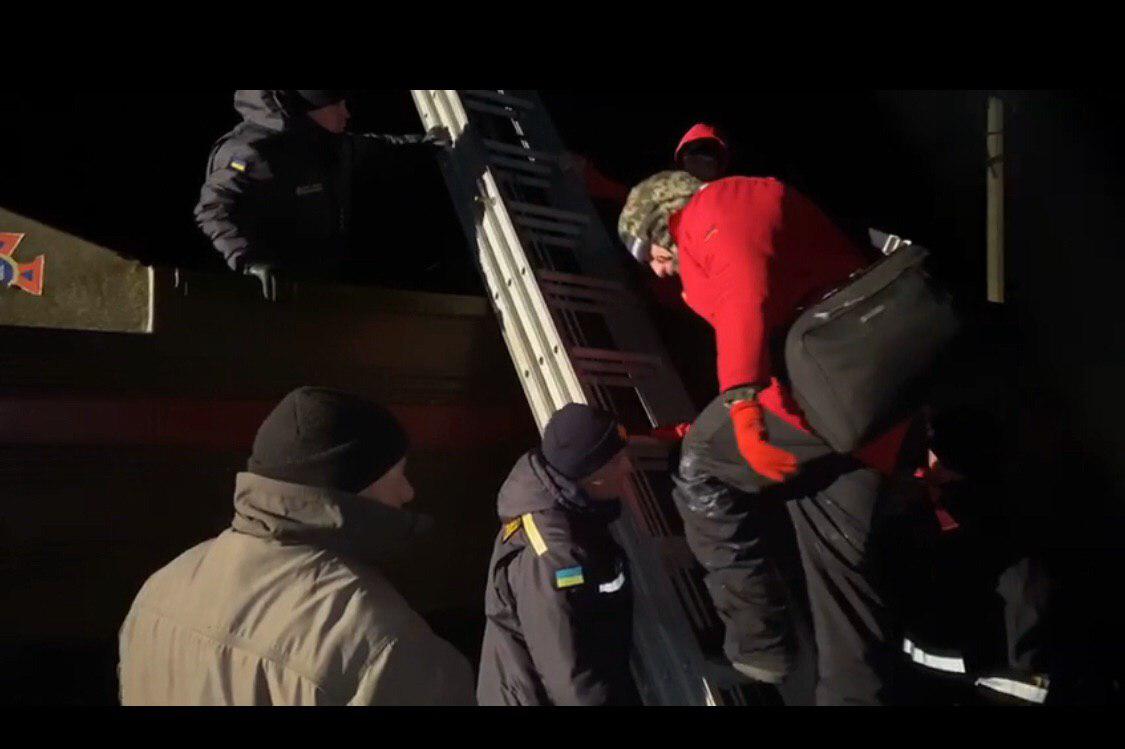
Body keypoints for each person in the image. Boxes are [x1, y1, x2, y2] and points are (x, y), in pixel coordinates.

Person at [618, 170, 923, 705]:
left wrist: (742, 407)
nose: (659, 270)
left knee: (700, 465)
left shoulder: (713, 212)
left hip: (822, 395)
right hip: (863, 412)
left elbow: (743, 295)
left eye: (652, 256)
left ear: (663, 222)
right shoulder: (758, 201)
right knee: (839, 573)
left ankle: (758, 643)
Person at [117, 386, 474, 705]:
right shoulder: (378, 643)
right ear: (352, 487)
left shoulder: (159, 589)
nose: (408, 492)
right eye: (397, 474)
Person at [477, 403, 640, 705]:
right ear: (589, 475)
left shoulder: (575, 515)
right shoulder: (553, 556)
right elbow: (573, 681)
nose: (628, 467)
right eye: (616, 461)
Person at [194, 90, 448, 280]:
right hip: (272, 290)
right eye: (337, 105)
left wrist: (426, 144)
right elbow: (213, 209)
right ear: (312, 109)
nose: (346, 113)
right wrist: (249, 262)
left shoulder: (330, 145)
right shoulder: (251, 153)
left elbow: (379, 147)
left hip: (322, 281)